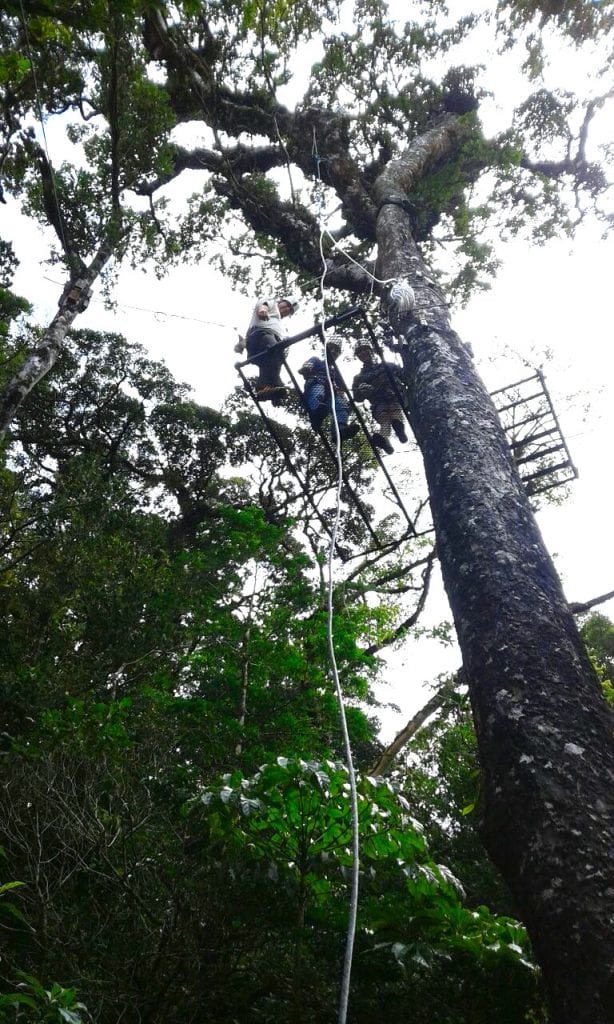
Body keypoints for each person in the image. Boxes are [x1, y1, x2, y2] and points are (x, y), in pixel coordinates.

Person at [352, 341, 408, 454]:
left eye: (365, 349)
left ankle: (398, 428)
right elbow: (357, 398)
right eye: (360, 352)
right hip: (378, 401)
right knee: (384, 419)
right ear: (358, 356)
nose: (363, 353)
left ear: (371, 351)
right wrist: (362, 391)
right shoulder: (359, 377)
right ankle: (383, 438)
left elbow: (404, 377)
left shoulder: (388, 365)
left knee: (394, 410)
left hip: (394, 395)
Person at [298, 341, 359, 442]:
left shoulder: (335, 372)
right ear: (325, 351)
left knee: (342, 405)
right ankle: (316, 412)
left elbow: (341, 389)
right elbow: (308, 365)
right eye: (331, 348)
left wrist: (344, 399)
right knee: (318, 391)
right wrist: (306, 369)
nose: (333, 352)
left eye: (337, 351)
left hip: (331, 394)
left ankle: (339, 430)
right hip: (317, 383)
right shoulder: (317, 361)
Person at [244, 295, 299, 402]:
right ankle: (276, 383)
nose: (287, 309)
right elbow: (264, 304)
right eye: (287, 305)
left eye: (290, 310)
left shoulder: (277, 320)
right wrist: (263, 309)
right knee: (275, 349)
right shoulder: (273, 304)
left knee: (272, 361)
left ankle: (263, 388)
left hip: (265, 345)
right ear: (281, 301)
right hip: (259, 336)